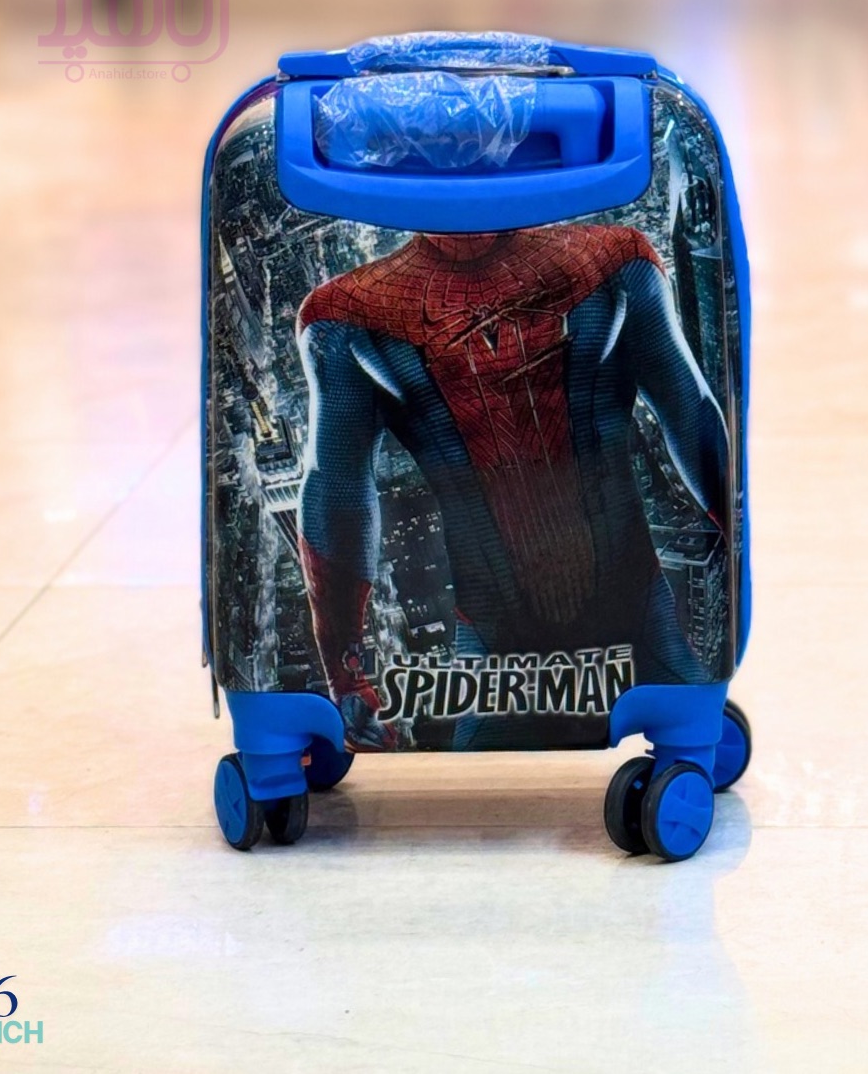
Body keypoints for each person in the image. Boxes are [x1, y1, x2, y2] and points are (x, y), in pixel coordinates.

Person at [295, 223, 728, 750]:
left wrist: (346, 674)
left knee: (690, 730)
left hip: (588, 626)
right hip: (508, 644)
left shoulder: (615, 261)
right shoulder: (348, 316)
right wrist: (346, 675)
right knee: (688, 731)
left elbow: (690, 411)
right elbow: (336, 491)